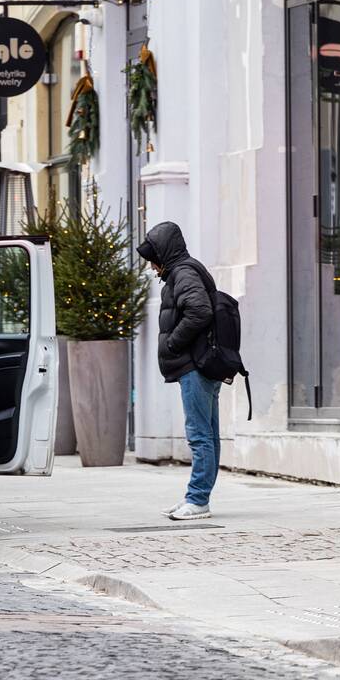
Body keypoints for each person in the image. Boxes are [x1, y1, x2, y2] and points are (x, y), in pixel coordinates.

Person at [136, 221, 218, 522]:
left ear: (164, 253)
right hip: (199, 364)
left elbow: (200, 311)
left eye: (153, 260)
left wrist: (173, 343)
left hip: (194, 365)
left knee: (200, 435)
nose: (153, 268)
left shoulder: (183, 273)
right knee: (206, 433)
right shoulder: (185, 271)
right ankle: (196, 496)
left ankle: (198, 500)